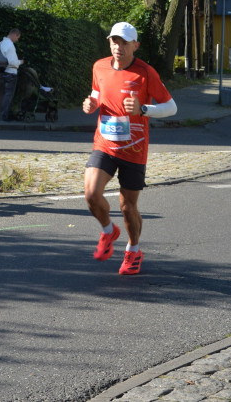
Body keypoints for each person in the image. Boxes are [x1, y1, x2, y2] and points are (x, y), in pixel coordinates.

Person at [83, 22, 177, 276]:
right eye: (115, 41)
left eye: (124, 42)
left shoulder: (146, 73)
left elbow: (171, 107)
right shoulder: (99, 66)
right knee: (91, 194)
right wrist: (91, 103)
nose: (118, 47)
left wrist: (144, 109)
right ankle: (107, 231)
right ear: (109, 43)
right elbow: (97, 92)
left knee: (127, 208)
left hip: (134, 149)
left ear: (135, 45)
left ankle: (133, 249)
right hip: (105, 143)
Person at [0, 28, 23, 121]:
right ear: (15, 35)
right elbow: (12, 62)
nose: (17, 40)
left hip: (4, 71)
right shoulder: (10, 45)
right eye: (17, 37)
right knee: (9, 95)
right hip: (11, 72)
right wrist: (20, 62)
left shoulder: (1, 43)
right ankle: (5, 115)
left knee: (7, 94)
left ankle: (7, 113)